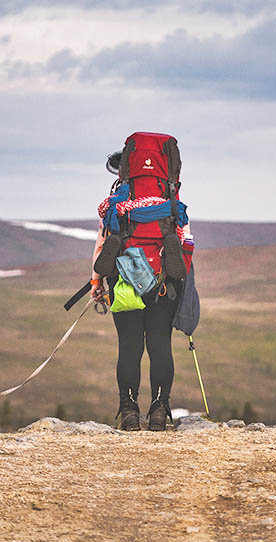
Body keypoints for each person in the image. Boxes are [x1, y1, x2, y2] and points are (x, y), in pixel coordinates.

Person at [90, 151, 192, 432]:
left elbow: (102, 244)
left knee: (129, 346)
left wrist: (96, 282)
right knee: (160, 343)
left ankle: (129, 411)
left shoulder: (117, 204)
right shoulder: (172, 204)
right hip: (164, 281)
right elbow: (186, 241)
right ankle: (159, 410)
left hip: (124, 281)